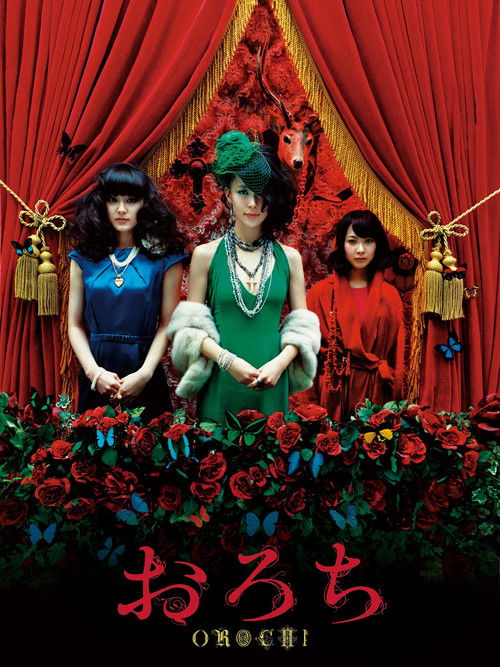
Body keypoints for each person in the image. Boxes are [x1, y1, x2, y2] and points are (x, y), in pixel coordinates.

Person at [167, 131, 320, 424]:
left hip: (271, 383)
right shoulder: (205, 255)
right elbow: (190, 330)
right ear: (227, 195)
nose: (252, 203)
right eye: (243, 192)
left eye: (261, 193)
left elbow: (303, 330)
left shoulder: (289, 258)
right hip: (221, 381)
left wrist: (279, 365)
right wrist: (229, 362)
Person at [68, 163, 187, 421]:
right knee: (94, 444)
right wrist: (94, 373)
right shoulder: (82, 257)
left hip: (144, 369)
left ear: (144, 204)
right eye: (113, 200)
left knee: (147, 443)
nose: (121, 209)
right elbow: (74, 325)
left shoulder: (166, 258)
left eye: (131, 200)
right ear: (102, 204)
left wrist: (144, 374)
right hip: (96, 370)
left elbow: (167, 324)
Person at [305, 210, 405, 420]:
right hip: (334, 392)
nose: (360, 250)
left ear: (378, 245)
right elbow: (306, 354)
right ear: (341, 244)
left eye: (368, 241)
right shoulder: (320, 294)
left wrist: (396, 398)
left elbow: (398, 355)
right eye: (352, 241)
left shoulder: (391, 295)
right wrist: (310, 407)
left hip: (377, 393)